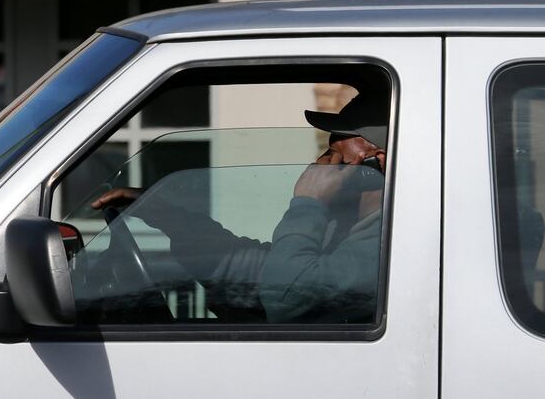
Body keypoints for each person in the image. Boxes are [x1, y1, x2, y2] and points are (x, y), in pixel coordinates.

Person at [90, 92, 388, 324]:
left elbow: (286, 296)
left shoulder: (386, 245)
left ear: (379, 161)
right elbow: (263, 272)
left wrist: (308, 204)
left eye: (335, 152)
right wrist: (171, 218)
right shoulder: (346, 226)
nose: (320, 162)